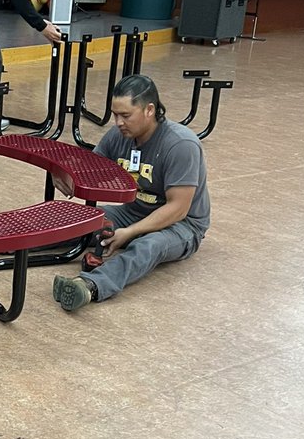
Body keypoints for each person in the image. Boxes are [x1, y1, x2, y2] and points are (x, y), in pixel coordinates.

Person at [52, 73, 210, 311]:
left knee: (149, 245)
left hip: (182, 224)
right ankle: (6, 244)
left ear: (149, 110)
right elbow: (90, 169)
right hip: (134, 211)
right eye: (115, 114)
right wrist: (64, 170)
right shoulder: (119, 135)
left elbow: (178, 208)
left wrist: (130, 232)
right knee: (77, 217)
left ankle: (88, 287)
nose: (117, 122)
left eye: (125, 115)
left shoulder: (181, 145)